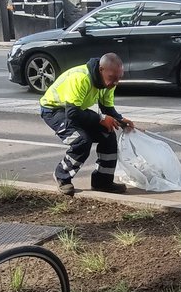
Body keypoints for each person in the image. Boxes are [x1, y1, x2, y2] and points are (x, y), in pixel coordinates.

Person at [38, 53, 134, 196]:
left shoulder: (109, 83)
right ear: (101, 70)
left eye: (119, 78)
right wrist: (101, 118)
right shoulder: (81, 78)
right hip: (54, 110)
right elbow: (72, 114)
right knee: (81, 141)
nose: (116, 82)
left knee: (108, 136)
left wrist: (120, 120)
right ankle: (62, 176)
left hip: (75, 110)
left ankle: (102, 182)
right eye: (113, 78)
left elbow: (107, 108)